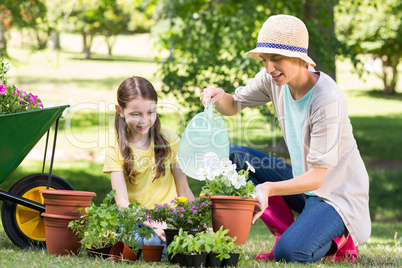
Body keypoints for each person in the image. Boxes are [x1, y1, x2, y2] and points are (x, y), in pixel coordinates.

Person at [200, 14, 370, 263]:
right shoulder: (274, 80)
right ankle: (285, 233)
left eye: (276, 59)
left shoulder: (326, 99)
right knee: (233, 156)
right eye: (265, 59)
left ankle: (340, 239)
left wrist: (268, 188)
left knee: (291, 254)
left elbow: (317, 177)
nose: (269, 68)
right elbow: (234, 105)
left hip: (336, 195)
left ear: (301, 58)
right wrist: (218, 96)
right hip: (305, 186)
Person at [103, 76, 195, 251]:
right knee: (144, 241)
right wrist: (153, 224)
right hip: (138, 222)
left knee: (178, 239)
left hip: (171, 220)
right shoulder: (114, 149)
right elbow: (122, 203)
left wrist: (198, 221)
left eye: (150, 112)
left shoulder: (171, 140)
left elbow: (183, 189)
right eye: (135, 114)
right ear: (120, 111)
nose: (144, 120)